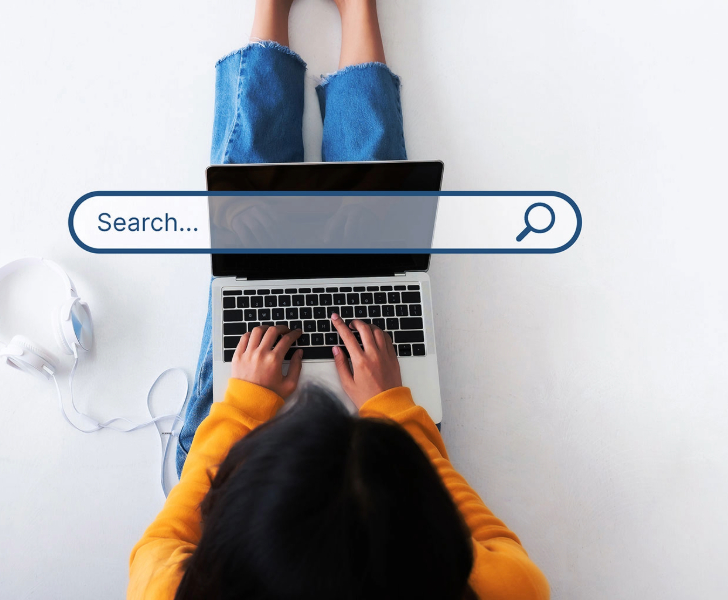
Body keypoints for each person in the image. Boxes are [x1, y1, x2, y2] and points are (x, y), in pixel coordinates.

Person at [130, 1, 550, 598]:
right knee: (374, 223)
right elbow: (504, 556)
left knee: (252, 222)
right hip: (376, 450)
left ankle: (272, 12)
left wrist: (245, 407)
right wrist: (391, 407)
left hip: (252, 433)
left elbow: (156, 548)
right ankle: (359, 12)